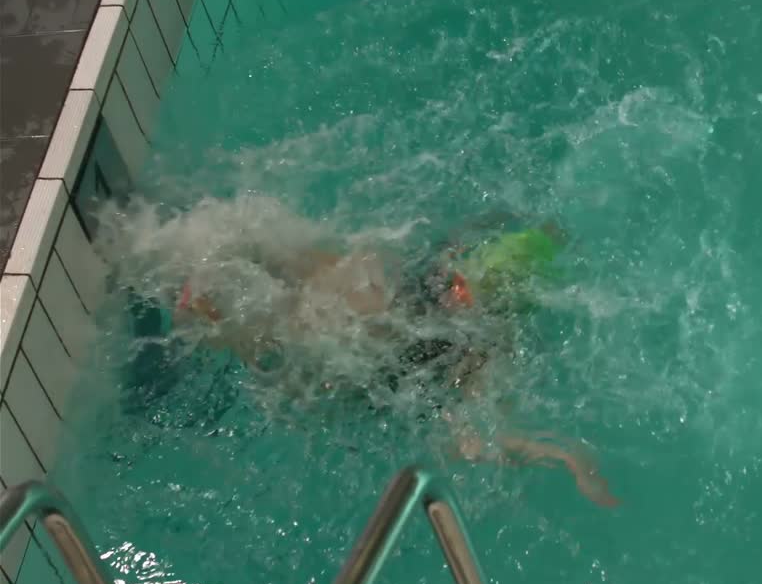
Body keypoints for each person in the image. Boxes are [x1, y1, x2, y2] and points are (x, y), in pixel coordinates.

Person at [172, 212, 619, 508]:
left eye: (463, 287)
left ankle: (224, 301)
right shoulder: (430, 292)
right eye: (457, 282)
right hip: (393, 354)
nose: (458, 290)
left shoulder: (483, 345)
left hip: (392, 373)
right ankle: (224, 292)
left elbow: (484, 437)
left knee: (326, 335)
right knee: (336, 311)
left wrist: (566, 459)